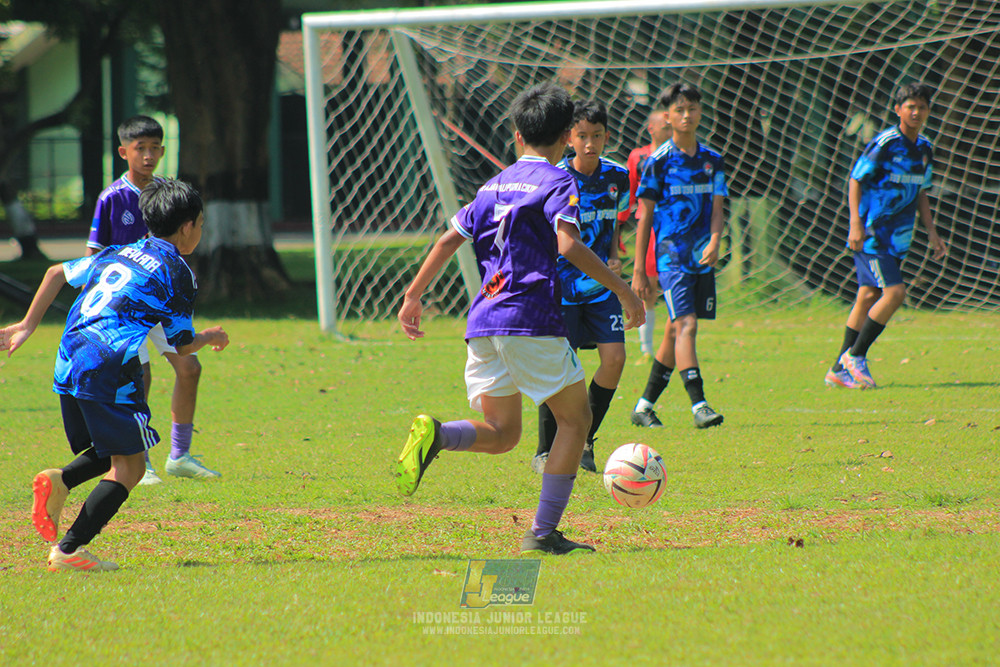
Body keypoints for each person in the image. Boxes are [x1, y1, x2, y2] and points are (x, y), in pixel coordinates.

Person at [394, 82, 644, 556]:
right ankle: (543, 532)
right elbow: (568, 244)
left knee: (505, 432)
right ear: (568, 135)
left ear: (516, 135)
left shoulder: (493, 185)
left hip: (483, 321)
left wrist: (413, 296)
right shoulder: (558, 181)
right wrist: (624, 290)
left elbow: (448, 240)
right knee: (576, 420)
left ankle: (437, 435)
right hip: (529, 317)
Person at [1, 178, 229, 572]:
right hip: (107, 367)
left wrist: (26, 324)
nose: (201, 232)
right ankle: (69, 552)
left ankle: (59, 481)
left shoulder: (121, 250)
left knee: (112, 449)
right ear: (188, 226)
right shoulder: (178, 272)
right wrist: (208, 337)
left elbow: (56, 272)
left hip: (68, 359)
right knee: (131, 466)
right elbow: (181, 343)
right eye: (201, 224)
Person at [87, 115, 219, 483]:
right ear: (123, 152)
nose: (148, 156)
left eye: (154, 148)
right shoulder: (112, 198)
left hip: (160, 302)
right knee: (139, 376)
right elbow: (93, 253)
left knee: (190, 367)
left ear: (162, 151)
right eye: (139, 148)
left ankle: (180, 455)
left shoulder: (166, 193)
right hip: (125, 307)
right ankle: (140, 461)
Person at [531, 99, 631, 475]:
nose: (590, 143)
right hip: (562, 286)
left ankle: (586, 439)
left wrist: (613, 253)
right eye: (582, 136)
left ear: (606, 137)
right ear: (569, 138)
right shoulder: (556, 177)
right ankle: (545, 449)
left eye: (598, 136)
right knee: (562, 367)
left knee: (615, 360)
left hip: (602, 285)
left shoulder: (617, 176)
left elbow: (614, 221)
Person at [825, 82, 947, 389]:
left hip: (899, 237)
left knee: (868, 295)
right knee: (894, 293)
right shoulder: (885, 143)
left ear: (928, 110)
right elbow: (855, 178)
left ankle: (838, 369)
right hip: (872, 234)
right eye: (910, 106)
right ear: (898, 110)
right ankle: (856, 355)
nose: (916, 112)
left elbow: (921, 192)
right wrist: (855, 223)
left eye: (921, 107)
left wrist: (932, 233)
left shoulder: (924, 148)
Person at [630, 82, 727, 430]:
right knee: (687, 324)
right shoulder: (657, 163)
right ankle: (699, 404)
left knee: (674, 329)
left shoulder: (712, 160)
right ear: (667, 116)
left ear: (701, 112)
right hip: (671, 259)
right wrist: (640, 270)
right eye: (680, 110)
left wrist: (716, 240)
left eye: (693, 109)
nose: (687, 115)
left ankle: (644, 406)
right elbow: (645, 218)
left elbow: (718, 209)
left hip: (701, 259)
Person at [627, 109, 671, 363]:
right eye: (665, 127)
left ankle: (676, 342)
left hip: (672, 224)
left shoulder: (676, 156)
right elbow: (631, 193)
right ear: (652, 129)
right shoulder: (638, 156)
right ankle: (647, 349)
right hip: (649, 226)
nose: (670, 131)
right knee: (648, 287)